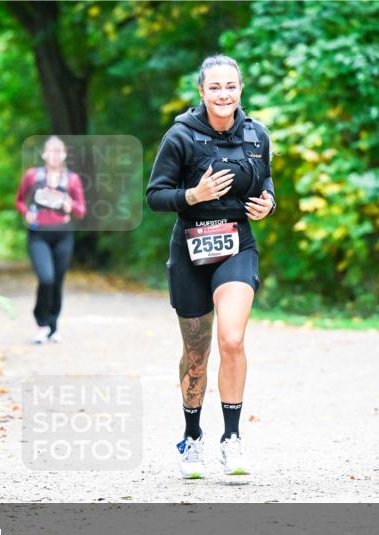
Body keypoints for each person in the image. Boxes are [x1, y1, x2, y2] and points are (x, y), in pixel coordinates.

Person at [146, 54, 276, 479]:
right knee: (196, 354)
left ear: (241, 89)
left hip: (237, 244)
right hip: (191, 250)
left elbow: (265, 180)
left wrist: (267, 204)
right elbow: (156, 196)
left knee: (232, 340)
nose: (224, 94)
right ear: (201, 92)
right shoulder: (180, 137)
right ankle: (193, 438)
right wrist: (193, 195)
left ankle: (232, 439)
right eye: (215, 87)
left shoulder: (257, 134)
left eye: (231, 87)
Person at [14, 136, 86, 344]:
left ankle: (53, 327)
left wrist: (69, 205)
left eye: (58, 151)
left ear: (64, 154)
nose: (54, 155)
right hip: (38, 234)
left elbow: (81, 211)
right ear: (44, 154)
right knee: (46, 278)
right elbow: (19, 200)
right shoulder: (32, 176)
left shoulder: (71, 179)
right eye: (50, 150)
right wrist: (26, 212)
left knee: (58, 281)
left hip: (63, 235)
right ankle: (41, 322)